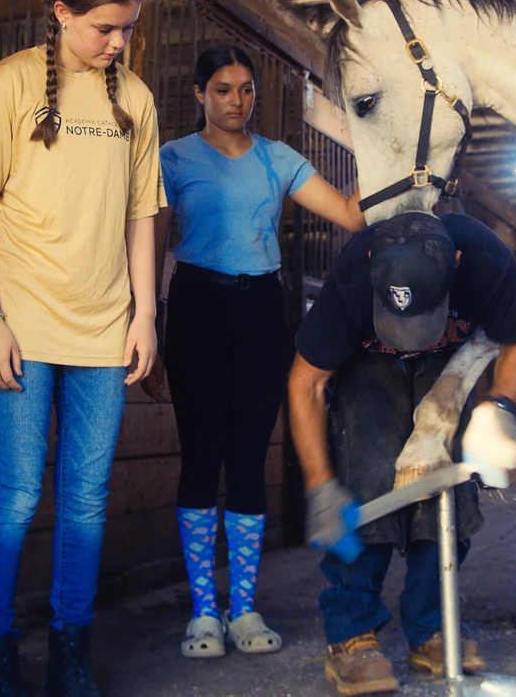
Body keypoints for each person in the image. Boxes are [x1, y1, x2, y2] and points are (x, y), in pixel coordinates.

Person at [0, 0, 165, 697]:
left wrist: (145, 314)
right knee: (14, 495)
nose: (118, 43)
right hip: (20, 323)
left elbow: (142, 214)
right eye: (105, 28)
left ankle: (71, 659)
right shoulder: (6, 84)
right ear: (61, 13)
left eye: (127, 29)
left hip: (104, 327)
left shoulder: (135, 99)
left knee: (85, 498)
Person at [153, 44, 365, 659]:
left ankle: (243, 608)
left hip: (261, 311)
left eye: (246, 89)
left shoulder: (279, 159)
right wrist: (149, 329)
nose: (236, 101)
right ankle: (204, 613)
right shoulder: (172, 158)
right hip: (194, 306)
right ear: (199, 94)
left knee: (249, 458)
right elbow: (152, 248)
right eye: (222, 90)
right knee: (200, 457)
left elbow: (350, 216)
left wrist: (379, 149)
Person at [288, 210, 516, 696]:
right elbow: (306, 382)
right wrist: (320, 486)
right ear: (372, 261)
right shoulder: (352, 279)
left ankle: (431, 626)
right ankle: (351, 632)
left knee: (445, 481)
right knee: (369, 468)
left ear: (456, 262)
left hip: (449, 358)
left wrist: (500, 407)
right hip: (367, 361)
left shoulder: (487, 261)